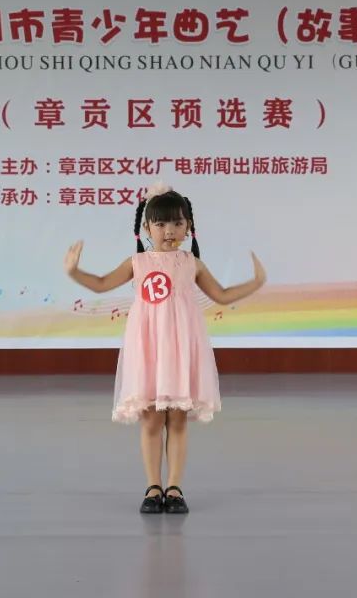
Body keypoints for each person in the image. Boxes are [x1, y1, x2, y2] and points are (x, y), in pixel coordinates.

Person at [64, 181, 266, 514]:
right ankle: (152, 486)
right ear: (146, 228)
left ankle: (174, 487)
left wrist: (255, 282)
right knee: (151, 421)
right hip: (148, 349)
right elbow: (100, 284)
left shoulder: (192, 263)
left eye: (176, 223)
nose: (169, 231)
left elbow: (222, 295)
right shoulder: (137, 262)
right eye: (160, 223)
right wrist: (74, 272)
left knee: (178, 420)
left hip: (182, 347)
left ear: (188, 227)